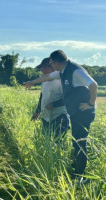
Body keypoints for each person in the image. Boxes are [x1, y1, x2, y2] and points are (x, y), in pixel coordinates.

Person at [24, 50, 98, 180]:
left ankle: (82, 177)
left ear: (56, 63)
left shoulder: (75, 71)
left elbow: (93, 85)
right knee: (76, 142)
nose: (50, 64)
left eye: (51, 62)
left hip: (83, 113)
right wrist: (32, 82)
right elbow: (47, 77)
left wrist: (91, 104)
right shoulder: (62, 71)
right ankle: (76, 171)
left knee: (80, 143)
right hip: (75, 112)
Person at [31, 58, 69, 138]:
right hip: (46, 117)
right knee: (45, 141)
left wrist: (54, 104)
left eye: (44, 67)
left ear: (52, 67)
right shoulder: (44, 80)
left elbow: (69, 98)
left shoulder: (61, 80)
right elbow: (42, 96)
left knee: (58, 143)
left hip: (59, 117)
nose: (42, 70)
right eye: (41, 67)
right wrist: (37, 112)